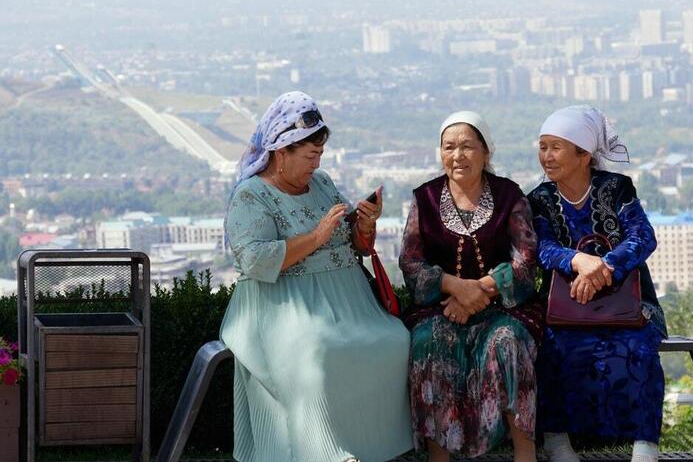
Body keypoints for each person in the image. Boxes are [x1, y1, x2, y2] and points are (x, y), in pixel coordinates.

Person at [220, 91, 412, 462]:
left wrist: (365, 224)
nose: (317, 163)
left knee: (394, 341)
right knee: (316, 352)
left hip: (348, 304)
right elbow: (254, 260)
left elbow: (355, 244)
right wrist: (315, 237)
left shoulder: (322, 184)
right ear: (281, 152)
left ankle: (370, 447)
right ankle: (325, 453)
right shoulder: (251, 196)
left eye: (320, 154)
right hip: (282, 308)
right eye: (310, 155)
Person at [399, 111, 543, 462]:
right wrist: (452, 286)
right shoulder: (425, 198)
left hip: (502, 309)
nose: (457, 155)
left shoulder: (509, 196)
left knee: (507, 343)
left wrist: (477, 290)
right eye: (449, 147)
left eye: (467, 146)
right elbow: (411, 261)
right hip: (440, 309)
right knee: (429, 344)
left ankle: (525, 455)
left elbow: (526, 259)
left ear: (485, 151)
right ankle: (439, 458)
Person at [527, 105, 667, 462]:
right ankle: (557, 442)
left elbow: (643, 236)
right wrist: (578, 260)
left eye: (556, 147)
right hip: (564, 307)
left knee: (638, 346)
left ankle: (645, 446)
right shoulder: (539, 199)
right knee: (550, 345)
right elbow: (541, 247)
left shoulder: (616, 188)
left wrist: (603, 266)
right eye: (543, 147)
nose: (547, 156)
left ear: (584, 154)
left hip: (629, 304)